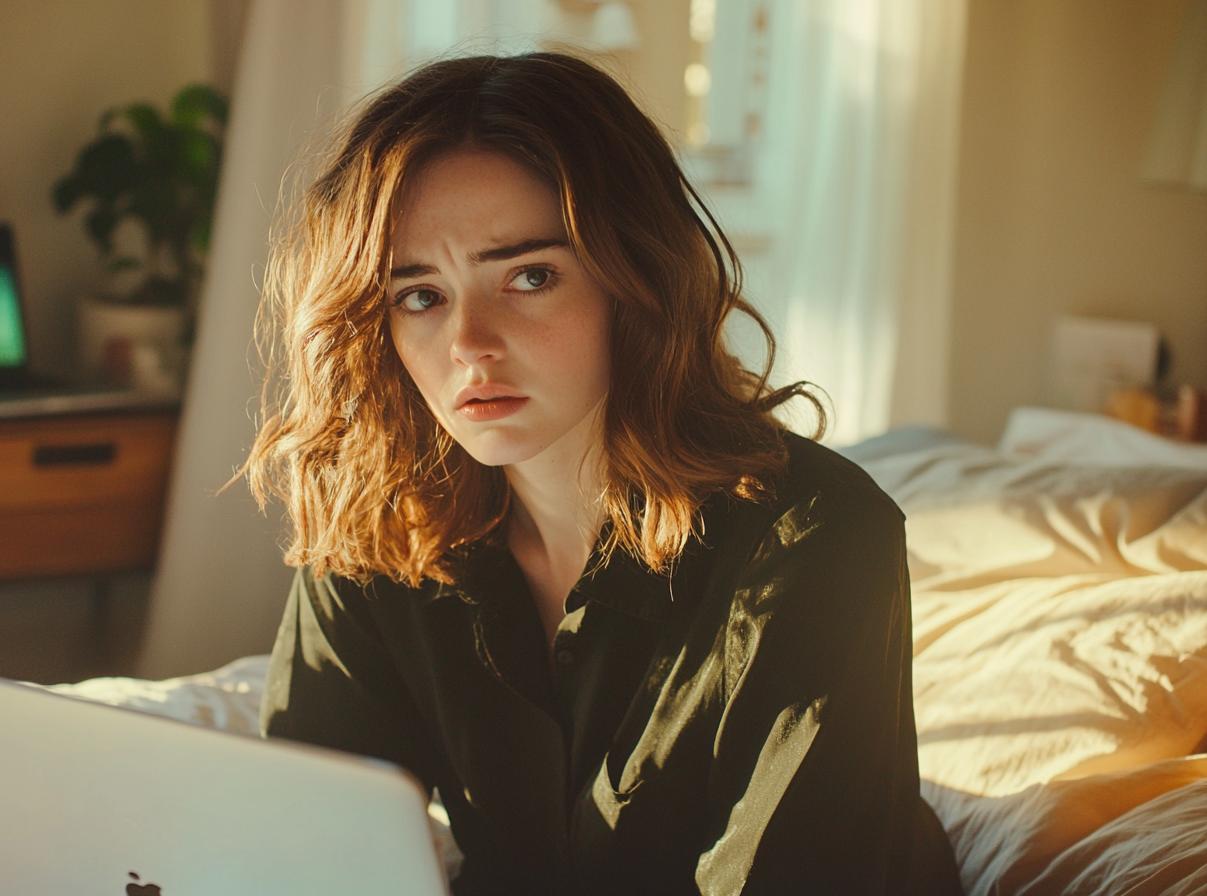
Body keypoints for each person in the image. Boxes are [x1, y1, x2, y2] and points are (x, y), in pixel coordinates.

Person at [244, 52, 962, 896]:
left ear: (637, 279)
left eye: (530, 276)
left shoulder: (817, 538)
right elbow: (312, 850)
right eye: (420, 295)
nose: (469, 343)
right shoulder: (379, 533)